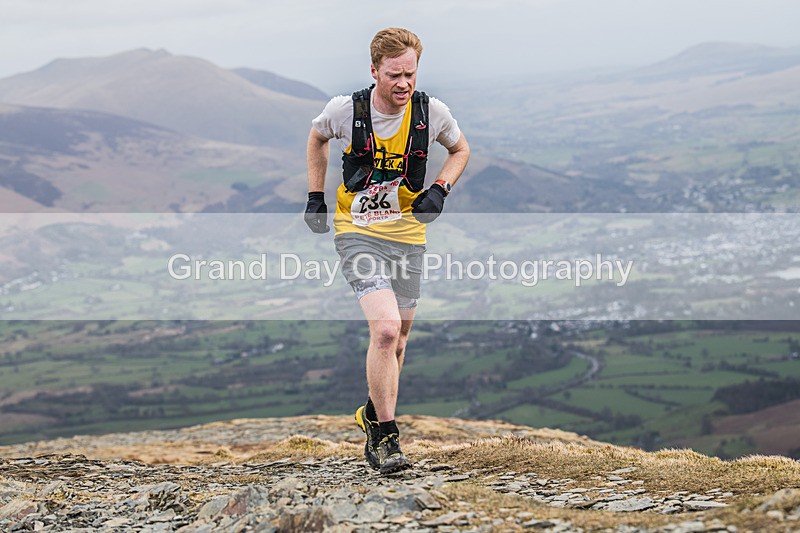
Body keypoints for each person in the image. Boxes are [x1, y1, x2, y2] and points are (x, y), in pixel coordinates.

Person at [304, 27, 469, 475]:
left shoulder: (431, 112)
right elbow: (317, 138)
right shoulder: (346, 110)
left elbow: (460, 149)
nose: (404, 84)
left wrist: (441, 188)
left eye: (410, 74)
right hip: (356, 231)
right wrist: (315, 196)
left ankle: (372, 413)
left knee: (399, 341)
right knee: (385, 330)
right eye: (394, 75)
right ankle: (385, 439)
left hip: (408, 234)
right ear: (374, 70)